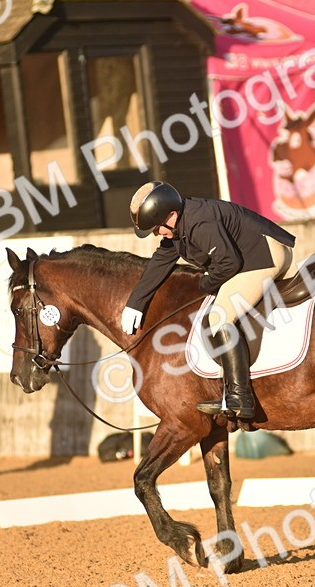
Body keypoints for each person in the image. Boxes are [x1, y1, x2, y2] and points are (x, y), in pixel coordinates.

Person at [122, 181, 295, 423]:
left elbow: (229, 263)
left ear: (171, 216)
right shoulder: (179, 227)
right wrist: (135, 302)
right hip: (250, 256)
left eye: (156, 228)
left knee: (219, 317)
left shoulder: (200, 223)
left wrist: (204, 283)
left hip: (265, 255)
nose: (156, 234)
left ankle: (240, 397)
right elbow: (160, 262)